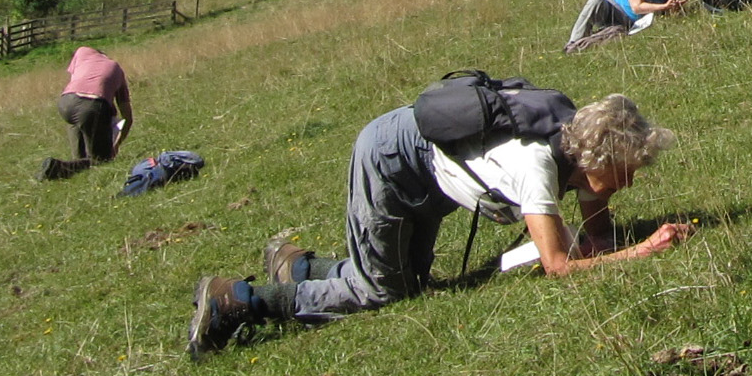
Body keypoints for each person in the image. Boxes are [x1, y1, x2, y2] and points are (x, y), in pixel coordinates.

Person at [187, 92, 690, 355]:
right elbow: (557, 267)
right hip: (391, 161)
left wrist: (601, 239)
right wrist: (641, 251)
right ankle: (238, 301)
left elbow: (589, 204)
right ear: (600, 159)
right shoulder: (536, 165)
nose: (628, 183)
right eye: (625, 172)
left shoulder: (572, 140)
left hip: (422, 171)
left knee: (410, 282)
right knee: (381, 293)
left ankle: (297, 267)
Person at [38, 46, 133, 181]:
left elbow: (75, 77)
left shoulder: (82, 52)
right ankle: (56, 167)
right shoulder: (117, 70)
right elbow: (127, 118)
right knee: (101, 159)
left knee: (80, 150)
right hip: (92, 106)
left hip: (66, 102)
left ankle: (74, 165)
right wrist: (116, 145)